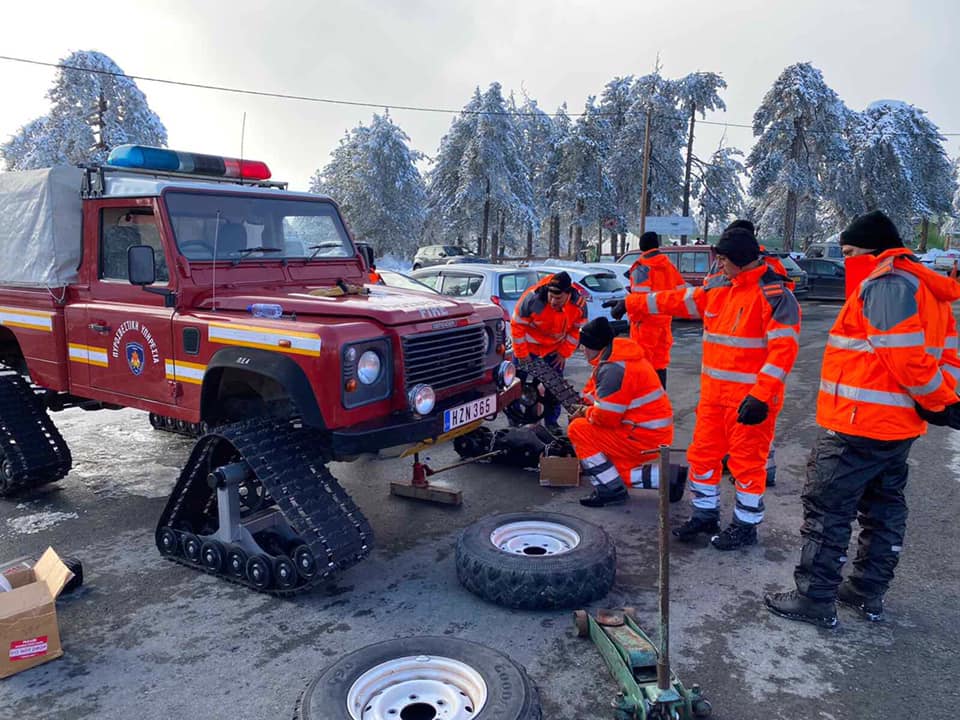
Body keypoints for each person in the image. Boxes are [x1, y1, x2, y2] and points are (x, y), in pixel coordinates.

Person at [764, 210, 960, 628]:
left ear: (874, 251)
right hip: (897, 427)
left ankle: (815, 599)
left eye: (850, 252)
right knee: (883, 510)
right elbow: (946, 359)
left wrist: (939, 402)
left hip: (858, 424)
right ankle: (867, 591)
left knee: (828, 510)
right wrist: (941, 401)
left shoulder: (887, 285)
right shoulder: (925, 289)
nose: (846, 259)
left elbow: (905, 357)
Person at [621, 222, 801, 549]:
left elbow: (783, 352)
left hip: (750, 404)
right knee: (702, 458)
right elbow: (678, 300)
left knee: (747, 465)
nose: (718, 265)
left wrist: (761, 396)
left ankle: (745, 526)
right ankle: (705, 515)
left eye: (723, 260)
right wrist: (632, 304)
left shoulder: (774, 297)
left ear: (739, 259)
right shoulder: (720, 288)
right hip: (714, 400)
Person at [567, 317, 675, 507]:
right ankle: (669, 478)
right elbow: (601, 396)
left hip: (641, 436)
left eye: (584, 345)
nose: (582, 349)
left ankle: (611, 491)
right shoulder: (619, 357)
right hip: (649, 432)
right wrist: (586, 405)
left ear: (595, 345)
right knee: (611, 468)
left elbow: (606, 418)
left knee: (578, 429)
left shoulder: (612, 369)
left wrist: (584, 412)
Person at [511, 271, 588, 433]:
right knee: (516, 385)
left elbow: (576, 331)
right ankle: (515, 419)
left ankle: (551, 423)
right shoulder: (533, 300)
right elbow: (517, 326)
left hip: (554, 351)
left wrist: (563, 353)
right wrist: (521, 354)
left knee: (555, 390)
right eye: (551, 297)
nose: (553, 301)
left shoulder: (578, 305)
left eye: (558, 298)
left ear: (568, 294)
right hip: (528, 348)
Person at [617, 231, 687, 387]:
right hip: (664, 324)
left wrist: (625, 306)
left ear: (641, 246)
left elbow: (639, 299)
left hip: (645, 325)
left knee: (643, 366)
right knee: (660, 365)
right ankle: (660, 401)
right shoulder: (669, 266)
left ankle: (648, 404)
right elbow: (680, 294)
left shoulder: (642, 268)